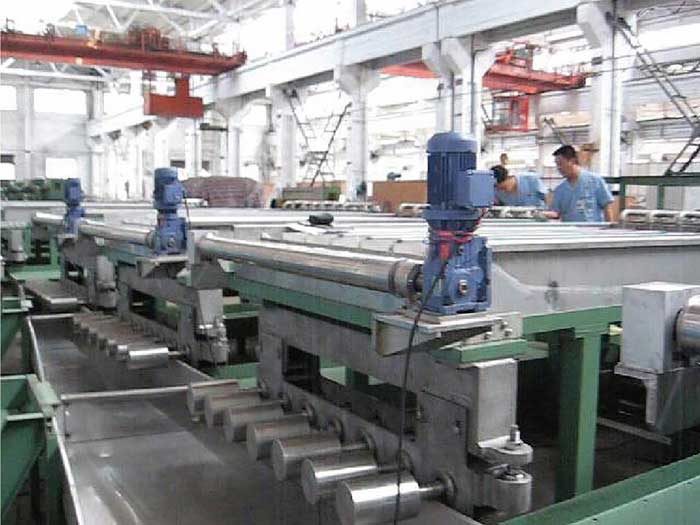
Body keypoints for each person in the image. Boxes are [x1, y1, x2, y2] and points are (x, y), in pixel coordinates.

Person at [547, 145, 614, 222]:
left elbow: (607, 207)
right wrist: (540, 214)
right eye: (557, 165)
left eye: (560, 164)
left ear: (572, 161)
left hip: (593, 228)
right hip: (570, 229)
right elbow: (556, 213)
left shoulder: (595, 181)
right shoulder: (560, 190)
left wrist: (610, 227)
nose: (558, 168)